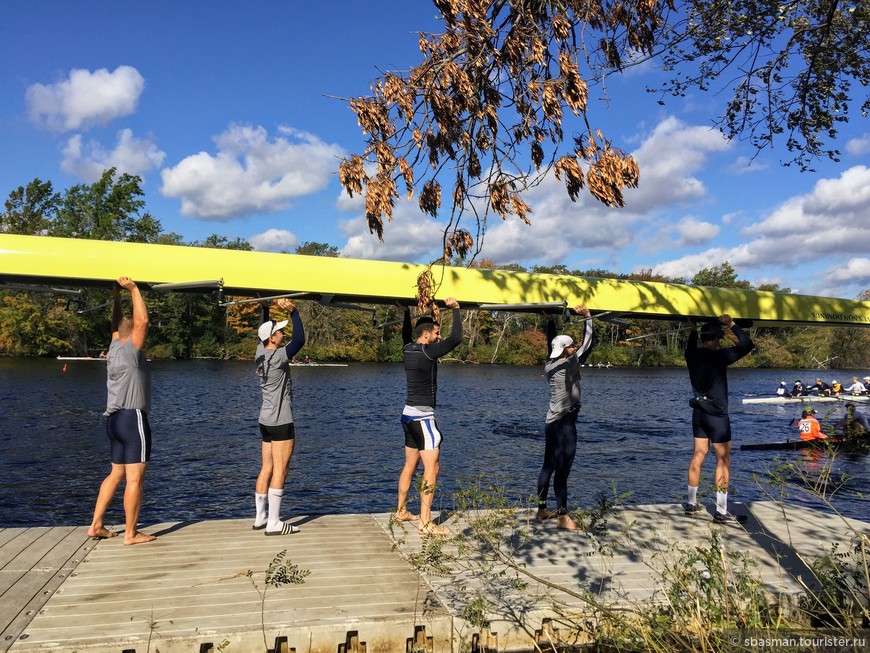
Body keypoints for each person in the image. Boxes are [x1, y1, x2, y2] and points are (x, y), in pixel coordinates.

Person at [87, 277, 155, 546]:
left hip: (113, 421)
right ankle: (131, 533)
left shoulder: (114, 347)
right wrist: (134, 290)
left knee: (116, 473)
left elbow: (116, 326)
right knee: (135, 478)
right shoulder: (130, 350)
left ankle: (96, 525)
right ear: (133, 336)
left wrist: (116, 298)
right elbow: (143, 323)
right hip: (132, 418)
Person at [397, 298, 462, 536]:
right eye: (436, 333)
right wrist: (456, 310)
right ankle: (425, 523)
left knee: (409, 465)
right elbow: (456, 339)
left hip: (407, 416)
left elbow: (406, 335)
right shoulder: (427, 352)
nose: (438, 337)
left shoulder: (408, 348)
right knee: (431, 468)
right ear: (425, 335)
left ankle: (401, 511)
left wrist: (405, 313)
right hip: (423, 418)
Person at [684, 315, 755, 525]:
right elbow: (747, 344)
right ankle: (721, 511)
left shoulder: (691, 355)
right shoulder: (720, 356)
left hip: (698, 414)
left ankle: (691, 504)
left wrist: (692, 330)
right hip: (717, 416)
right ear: (715, 340)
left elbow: (691, 345)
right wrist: (731, 324)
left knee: (698, 455)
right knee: (723, 461)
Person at [536, 305, 594, 531]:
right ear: (566, 351)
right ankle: (562, 517)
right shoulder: (569, 363)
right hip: (565, 424)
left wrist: (550, 320)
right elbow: (588, 344)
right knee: (563, 470)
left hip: (551, 422)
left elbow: (553, 342)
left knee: (547, 466)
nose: (575, 348)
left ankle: (542, 509)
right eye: (572, 346)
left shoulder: (550, 362)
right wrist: (588, 317)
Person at [253, 298, 306, 536]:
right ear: (272, 338)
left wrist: (264, 306)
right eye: (279, 331)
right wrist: (294, 312)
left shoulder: (260, 353)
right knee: (281, 469)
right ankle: (274, 522)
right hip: (281, 420)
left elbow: (262, 333)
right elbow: (300, 340)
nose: (283, 333)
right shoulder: (278, 357)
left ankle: (260, 517)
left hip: (265, 421)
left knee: (266, 467)